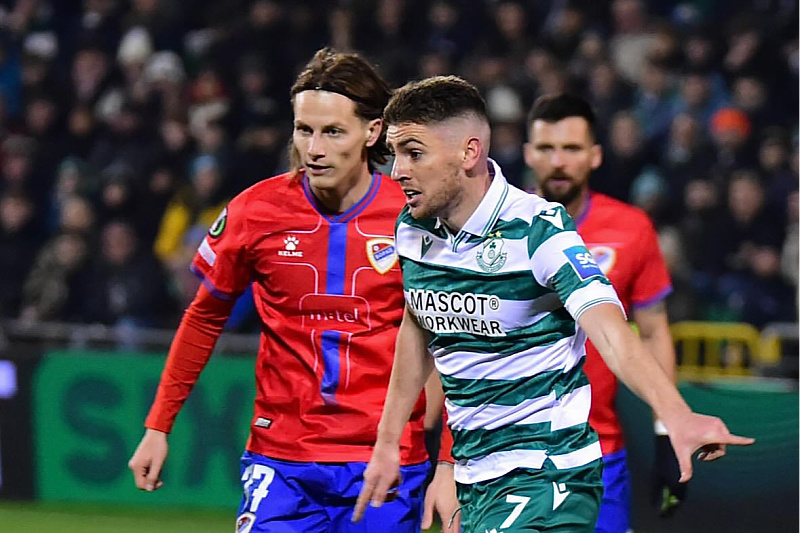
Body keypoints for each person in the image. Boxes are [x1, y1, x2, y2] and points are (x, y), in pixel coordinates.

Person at [353, 76, 753, 532]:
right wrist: (390, 444)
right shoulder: (413, 228)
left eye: (414, 153)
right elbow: (417, 326)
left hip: (549, 473)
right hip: (475, 475)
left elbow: (611, 330)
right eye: (396, 153)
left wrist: (674, 416)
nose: (396, 170)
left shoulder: (539, 229)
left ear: (468, 153)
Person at [128, 48, 456, 533]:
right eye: (304, 130)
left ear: (372, 133)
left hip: (385, 461)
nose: (315, 149)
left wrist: (448, 464)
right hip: (281, 460)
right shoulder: (254, 211)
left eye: (332, 132)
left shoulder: (417, 218)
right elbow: (203, 317)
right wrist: (158, 425)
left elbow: (456, 340)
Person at [523, 93, 683, 533]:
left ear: (595, 155)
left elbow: (653, 333)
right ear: (527, 154)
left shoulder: (631, 229)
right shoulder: (494, 229)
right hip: (508, 453)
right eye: (546, 148)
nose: (558, 162)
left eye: (571, 149)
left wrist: (666, 433)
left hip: (597, 453)